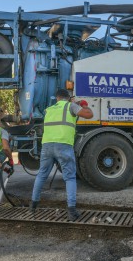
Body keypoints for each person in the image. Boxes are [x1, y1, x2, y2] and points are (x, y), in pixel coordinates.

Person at [30, 89, 93, 221]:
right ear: (68, 98)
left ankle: (33, 206)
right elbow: (89, 115)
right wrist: (84, 104)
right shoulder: (71, 106)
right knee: (69, 178)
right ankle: (71, 211)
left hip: (47, 145)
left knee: (42, 175)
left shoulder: (49, 109)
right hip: (63, 145)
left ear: (57, 98)